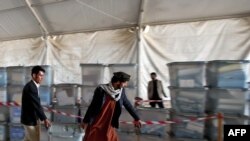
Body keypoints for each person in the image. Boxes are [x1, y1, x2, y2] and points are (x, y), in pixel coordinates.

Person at [81, 71, 141, 141]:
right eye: (125, 82)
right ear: (118, 82)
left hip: (109, 123)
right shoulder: (101, 89)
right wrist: (85, 121)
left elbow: (127, 104)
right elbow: (93, 106)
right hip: (97, 122)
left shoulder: (121, 92)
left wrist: (136, 118)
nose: (126, 85)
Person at [21, 66, 51, 141]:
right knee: (34, 139)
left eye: (43, 76)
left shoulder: (34, 86)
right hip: (29, 120)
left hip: (33, 118)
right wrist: (45, 118)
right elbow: (37, 104)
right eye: (40, 75)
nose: (42, 78)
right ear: (34, 75)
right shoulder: (31, 87)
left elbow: (36, 104)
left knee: (28, 139)